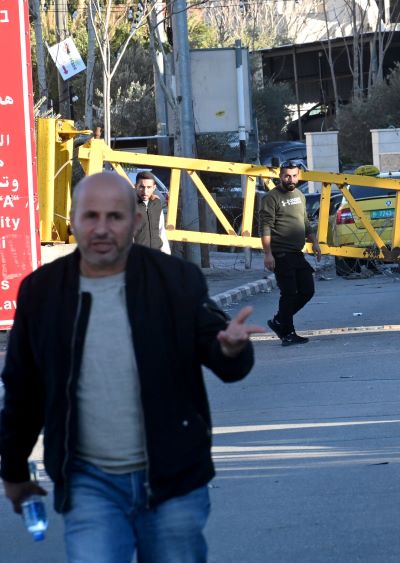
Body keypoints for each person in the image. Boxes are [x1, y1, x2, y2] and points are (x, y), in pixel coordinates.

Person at [0, 172, 262, 562]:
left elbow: (224, 361)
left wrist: (231, 349)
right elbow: (22, 389)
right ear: (72, 219)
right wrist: (15, 471)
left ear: (136, 221)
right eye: (90, 216)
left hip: (173, 479)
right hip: (89, 483)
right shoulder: (43, 291)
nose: (102, 228)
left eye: (115, 217)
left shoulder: (176, 280)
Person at [260, 160, 322, 346]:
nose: (291, 179)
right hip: (280, 253)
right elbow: (265, 227)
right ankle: (288, 333)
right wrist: (268, 254)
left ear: (299, 176)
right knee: (289, 293)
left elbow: (304, 222)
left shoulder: (300, 196)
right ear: (280, 176)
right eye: (287, 175)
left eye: (294, 175)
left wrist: (315, 242)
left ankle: (280, 320)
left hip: (296, 253)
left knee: (307, 290)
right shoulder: (271, 198)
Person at [133, 171, 170, 254]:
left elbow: (161, 231)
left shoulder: (157, 203)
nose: (145, 191)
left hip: (156, 256)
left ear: (154, 188)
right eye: (142, 187)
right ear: (136, 186)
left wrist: (166, 256)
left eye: (149, 187)